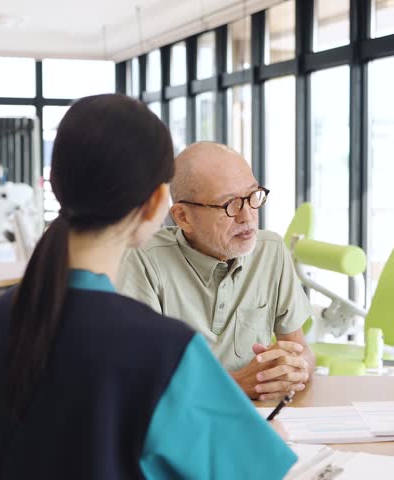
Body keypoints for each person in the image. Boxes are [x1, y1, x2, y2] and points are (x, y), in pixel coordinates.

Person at [0, 95, 296, 479]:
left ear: (57, 186)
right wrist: (271, 437)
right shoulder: (165, 351)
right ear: (159, 203)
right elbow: (253, 470)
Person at [117, 142, 315, 402]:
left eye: (253, 196)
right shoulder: (143, 259)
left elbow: (301, 351)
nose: (247, 217)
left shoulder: (271, 250)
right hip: (179, 424)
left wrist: (297, 368)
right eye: (230, 204)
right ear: (183, 217)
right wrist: (236, 384)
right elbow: (140, 377)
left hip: (258, 416)